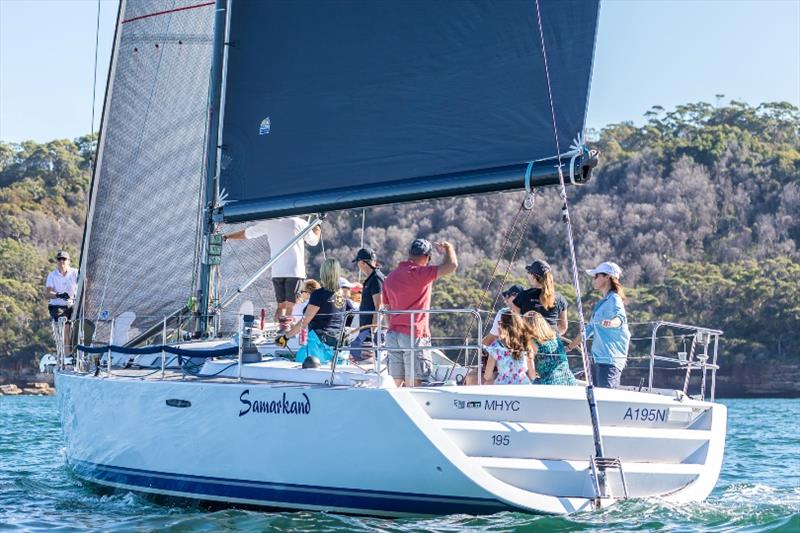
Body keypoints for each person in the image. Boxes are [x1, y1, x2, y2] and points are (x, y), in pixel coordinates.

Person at [383, 238, 457, 386]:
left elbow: (387, 309)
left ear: (410, 254)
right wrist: (449, 248)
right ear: (426, 257)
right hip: (414, 334)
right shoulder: (421, 273)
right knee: (415, 384)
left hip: (393, 335)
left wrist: (391, 327)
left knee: (395, 383)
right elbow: (451, 265)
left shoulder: (390, 277)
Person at [224, 217, 321, 326]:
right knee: (291, 306)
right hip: (295, 271)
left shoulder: (269, 222)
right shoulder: (299, 222)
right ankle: (287, 334)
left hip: (277, 271)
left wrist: (227, 236)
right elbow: (314, 241)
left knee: (281, 306)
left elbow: (247, 233)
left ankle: (279, 330)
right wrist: (317, 227)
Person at [567, 261, 631, 389]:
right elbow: (589, 329)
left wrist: (611, 323)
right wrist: (570, 347)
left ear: (607, 277)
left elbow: (620, 318)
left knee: (606, 399)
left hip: (609, 360)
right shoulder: (601, 304)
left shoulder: (614, 299)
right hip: (597, 360)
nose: (594, 279)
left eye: (596, 276)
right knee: (596, 398)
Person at [278, 258, 354, 359]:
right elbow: (351, 313)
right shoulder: (342, 296)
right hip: (338, 348)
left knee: (297, 359)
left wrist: (285, 337)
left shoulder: (318, 295)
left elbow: (304, 322)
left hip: (318, 348)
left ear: (323, 273)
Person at [512, 259, 568, 335]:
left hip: (529, 342)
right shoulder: (560, 298)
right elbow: (563, 327)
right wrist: (553, 337)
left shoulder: (522, 296)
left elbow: (515, 324)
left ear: (533, 276)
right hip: (551, 342)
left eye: (529, 272)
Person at [349, 248, 385, 361]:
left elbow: (379, 305)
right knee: (357, 354)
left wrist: (372, 329)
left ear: (363, 263)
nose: (358, 266)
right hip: (366, 329)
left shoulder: (376, 278)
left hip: (370, 331)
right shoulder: (372, 278)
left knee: (367, 361)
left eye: (358, 263)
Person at [483, 311, 536, 385]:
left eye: (499, 323)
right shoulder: (526, 344)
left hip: (503, 387)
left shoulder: (496, 347)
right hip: (523, 386)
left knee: (487, 383)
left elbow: (487, 376)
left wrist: (496, 374)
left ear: (503, 326)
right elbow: (532, 376)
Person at [525, 311, 577, 385]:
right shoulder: (555, 336)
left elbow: (530, 364)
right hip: (570, 381)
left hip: (551, 383)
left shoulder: (532, 342)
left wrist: (531, 379)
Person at [45, 250, 78, 355]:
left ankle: (78, 353)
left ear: (68, 261)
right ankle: (67, 355)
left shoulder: (75, 272)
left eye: (64, 259)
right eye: (59, 259)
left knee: (81, 324)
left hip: (73, 305)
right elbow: (48, 293)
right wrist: (59, 295)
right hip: (57, 306)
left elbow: (86, 281)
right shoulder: (52, 275)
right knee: (65, 327)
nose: (61, 261)